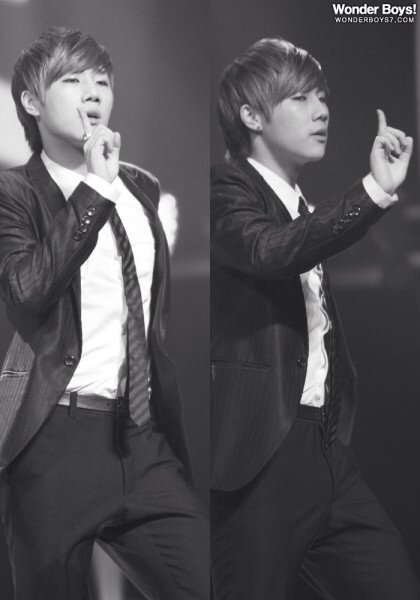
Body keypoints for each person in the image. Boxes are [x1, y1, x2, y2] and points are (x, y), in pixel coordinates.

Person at [0, 27, 208, 600]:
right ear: (32, 101)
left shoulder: (141, 187)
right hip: (55, 436)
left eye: (102, 81)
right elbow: (26, 291)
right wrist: (93, 188)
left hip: (140, 434)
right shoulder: (14, 192)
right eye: (72, 80)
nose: (93, 93)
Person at [210, 37, 419, 600]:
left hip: (326, 449)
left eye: (322, 96)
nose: (321, 110)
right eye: (300, 98)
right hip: (262, 455)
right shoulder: (224, 189)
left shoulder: (299, 204)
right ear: (252, 116)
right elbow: (270, 251)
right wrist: (373, 191)